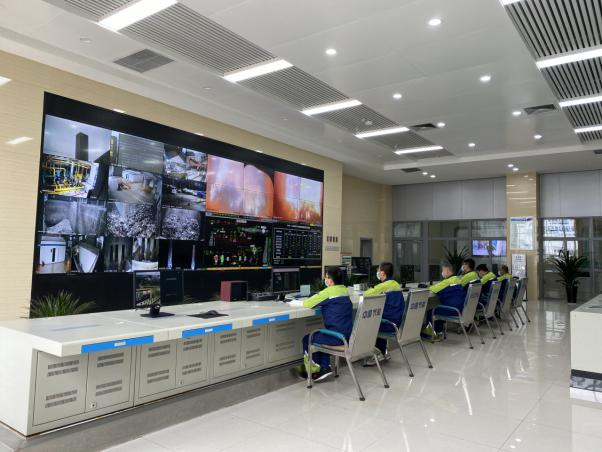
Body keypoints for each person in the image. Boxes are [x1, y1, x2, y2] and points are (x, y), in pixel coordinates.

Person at [298, 267, 353, 382]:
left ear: (331, 280)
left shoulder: (329, 292)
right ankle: (325, 367)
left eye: (326, 277)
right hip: (348, 335)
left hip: (337, 337)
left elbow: (307, 303)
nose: (325, 279)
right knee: (322, 336)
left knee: (307, 339)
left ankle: (315, 370)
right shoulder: (344, 290)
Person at [362, 262, 402, 365]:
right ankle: (382, 351)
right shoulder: (396, 284)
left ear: (383, 273)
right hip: (396, 323)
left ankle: (376, 353)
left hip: (388, 324)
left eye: (378, 270)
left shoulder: (383, 286)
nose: (377, 272)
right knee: (379, 318)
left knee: (365, 323)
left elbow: (366, 294)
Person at [422, 263, 465, 339]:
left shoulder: (447, 282)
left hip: (452, 309)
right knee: (439, 309)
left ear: (447, 271)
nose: (442, 273)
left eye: (443, 271)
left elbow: (432, 289)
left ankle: (430, 334)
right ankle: (439, 331)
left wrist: (425, 286)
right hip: (459, 308)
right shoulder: (458, 279)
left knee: (431, 311)